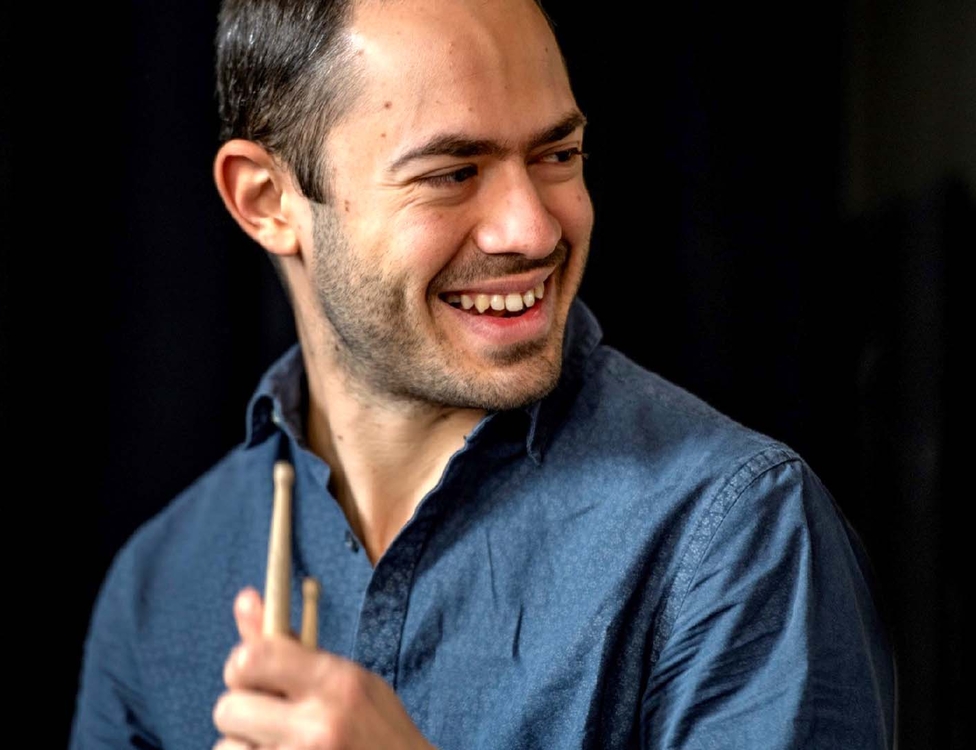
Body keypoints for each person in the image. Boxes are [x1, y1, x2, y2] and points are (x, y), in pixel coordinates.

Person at [69, 0, 896, 747]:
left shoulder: (735, 534)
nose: (532, 230)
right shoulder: (159, 585)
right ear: (265, 199)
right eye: (452, 173)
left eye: (557, 154)